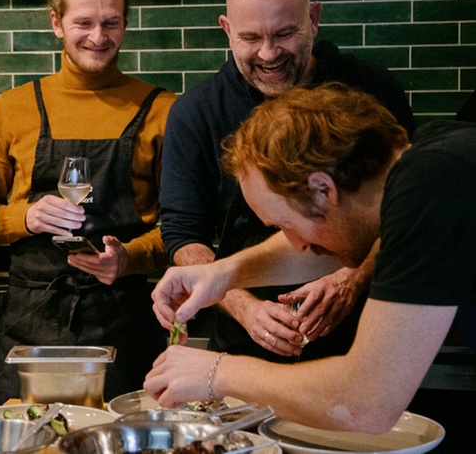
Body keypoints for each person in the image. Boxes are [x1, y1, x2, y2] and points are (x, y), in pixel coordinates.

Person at [145, 83, 476, 433]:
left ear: (323, 188)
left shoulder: (429, 188)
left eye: (286, 224)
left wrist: (216, 373)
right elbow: (354, 239)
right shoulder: (431, 160)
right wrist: (223, 273)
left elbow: (364, 402)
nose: (297, 245)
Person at [160, 0, 416, 363]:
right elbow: (182, 231)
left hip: (366, 336)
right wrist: (241, 301)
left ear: (313, 18)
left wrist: (352, 277)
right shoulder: (196, 113)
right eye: (250, 38)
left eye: (284, 33)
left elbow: (405, 216)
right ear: (226, 30)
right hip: (246, 345)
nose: (267, 53)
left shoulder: (373, 92)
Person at [0, 0, 176, 403]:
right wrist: (23, 218)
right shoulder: (13, 109)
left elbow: (183, 231)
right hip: (33, 319)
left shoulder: (162, 110)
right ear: (55, 22)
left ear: (126, 22)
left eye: (111, 23)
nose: (98, 37)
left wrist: (128, 257)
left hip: (125, 321)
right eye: (83, 23)